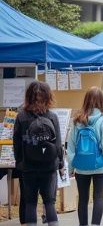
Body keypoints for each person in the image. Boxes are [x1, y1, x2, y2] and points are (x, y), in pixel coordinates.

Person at [13, 81, 63, 226]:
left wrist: (20, 162)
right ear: (48, 96)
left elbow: (16, 143)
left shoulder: (21, 117)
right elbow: (58, 144)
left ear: (28, 96)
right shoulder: (52, 117)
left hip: (28, 167)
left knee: (30, 202)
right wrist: (59, 164)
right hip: (49, 167)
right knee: (49, 202)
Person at [68, 87, 103, 226]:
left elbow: (70, 147)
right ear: (102, 102)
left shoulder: (77, 120)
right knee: (98, 197)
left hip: (81, 168)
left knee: (82, 198)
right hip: (100, 167)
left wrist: (71, 167)